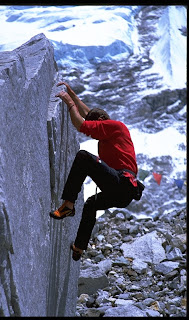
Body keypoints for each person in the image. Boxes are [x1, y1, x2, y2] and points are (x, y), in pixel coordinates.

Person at [50, 82, 144, 261]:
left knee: (84, 157)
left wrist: (69, 103)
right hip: (124, 191)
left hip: (121, 182)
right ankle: (79, 247)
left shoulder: (114, 126)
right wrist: (75, 97)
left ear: (102, 122)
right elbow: (89, 116)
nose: (94, 131)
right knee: (91, 204)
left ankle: (68, 204)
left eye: (96, 125)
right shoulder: (112, 131)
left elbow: (82, 125)